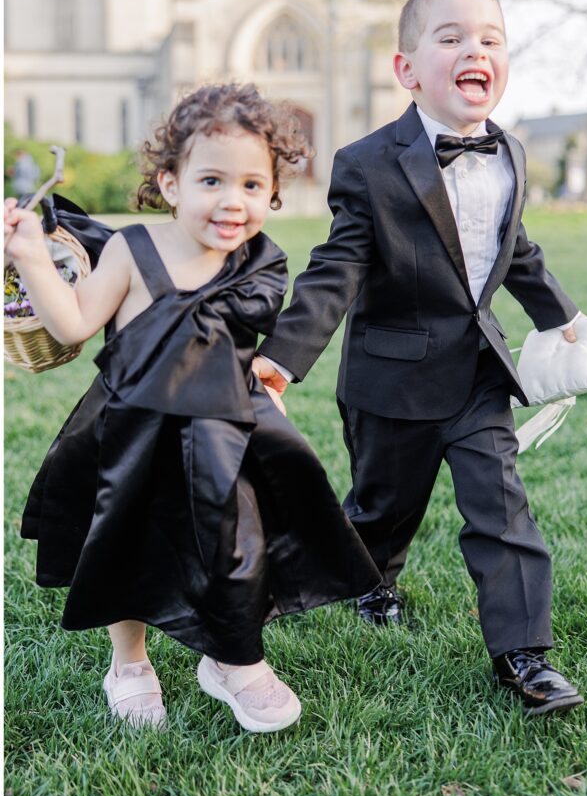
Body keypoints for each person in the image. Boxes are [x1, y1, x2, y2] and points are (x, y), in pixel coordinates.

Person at [254, 0, 585, 716]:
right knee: (381, 507)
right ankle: (371, 580)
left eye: (490, 38)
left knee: (502, 509)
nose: (475, 49)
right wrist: (284, 352)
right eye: (451, 37)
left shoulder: (510, 154)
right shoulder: (367, 162)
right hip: (390, 378)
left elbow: (515, 249)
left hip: (476, 372)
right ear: (406, 70)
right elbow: (337, 264)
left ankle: (524, 656)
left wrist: (558, 317)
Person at [4, 83, 380, 732]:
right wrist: (33, 257)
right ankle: (129, 662)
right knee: (124, 544)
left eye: (252, 186)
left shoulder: (258, 264)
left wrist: (271, 414)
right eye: (210, 180)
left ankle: (234, 659)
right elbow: (71, 323)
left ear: (271, 194)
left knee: (237, 547)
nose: (232, 202)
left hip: (220, 435)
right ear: (170, 184)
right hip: (131, 432)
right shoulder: (131, 251)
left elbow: (236, 356)